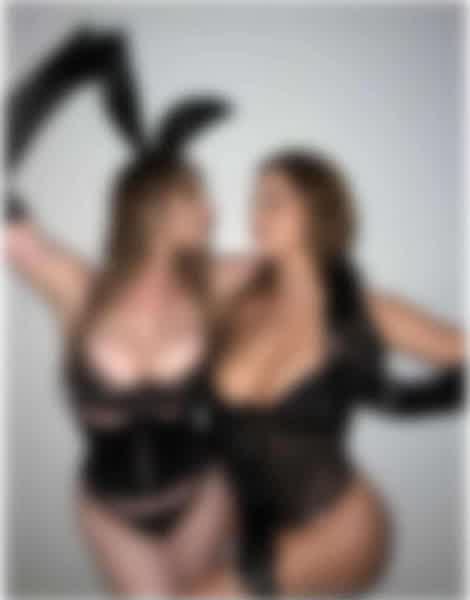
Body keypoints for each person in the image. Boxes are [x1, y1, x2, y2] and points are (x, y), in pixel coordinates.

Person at [6, 29, 236, 595]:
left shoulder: (214, 282)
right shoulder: (79, 290)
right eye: (197, 195)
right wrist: (60, 75)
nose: (213, 211)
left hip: (204, 494)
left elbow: (304, 264)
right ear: (153, 206)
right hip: (113, 513)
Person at [191, 149, 464, 597]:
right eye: (255, 201)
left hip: (339, 527)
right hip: (251, 527)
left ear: (316, 211)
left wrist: (404, 399)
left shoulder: (364, 312)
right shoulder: (237, 298)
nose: (256, 214)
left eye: (273, 200)